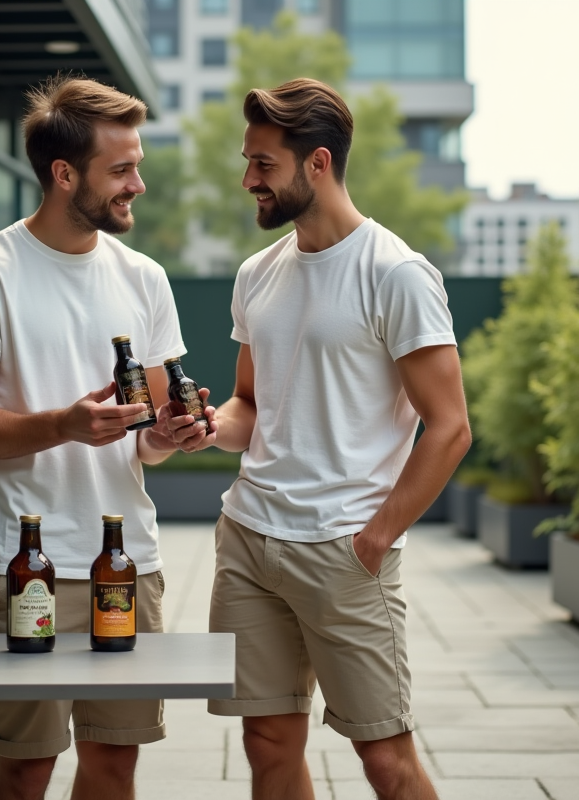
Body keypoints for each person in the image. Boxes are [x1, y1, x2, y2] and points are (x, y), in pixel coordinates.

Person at [169, 78, 472, 800]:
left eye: (263, 165)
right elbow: (250, 404)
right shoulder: (258, 273)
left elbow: (451, 426)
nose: (248, 180)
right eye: (247, 162)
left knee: (385, 759)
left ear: (318, 163)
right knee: (267, 739)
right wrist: (209, 430)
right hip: (248, 540)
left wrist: (373, 540)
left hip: (342, 550)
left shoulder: (395, 273)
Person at [0, 76, 201, 800]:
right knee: (25, 770)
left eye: (136, 165)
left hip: (126, 562)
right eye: (121, 170)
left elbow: (143, 438)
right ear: (63, 174)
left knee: (115, 763)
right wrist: (63, 424)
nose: (138, 185)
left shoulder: (144, 278)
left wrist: (170, 435)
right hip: (27, 562)